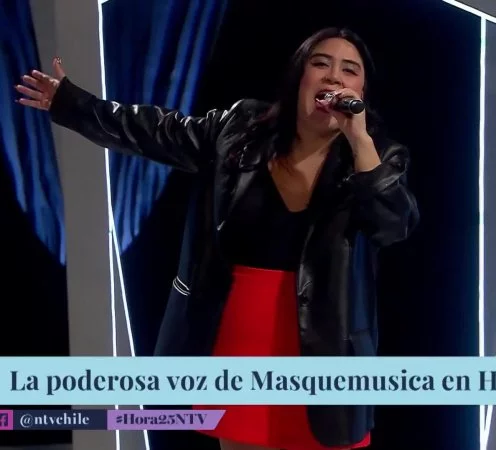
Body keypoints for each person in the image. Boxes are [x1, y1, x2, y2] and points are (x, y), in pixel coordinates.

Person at [15, 27, 419, 450]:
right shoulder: (240, 129)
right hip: (236, 338)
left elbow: (393, 224)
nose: (334, 76)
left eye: (349, 70)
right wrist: (72, 103)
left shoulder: (378, 157)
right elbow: (155, 130)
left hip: (326, 347)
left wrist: (360, 141)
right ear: (300, 77)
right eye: (321, 63)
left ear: (361, 92)